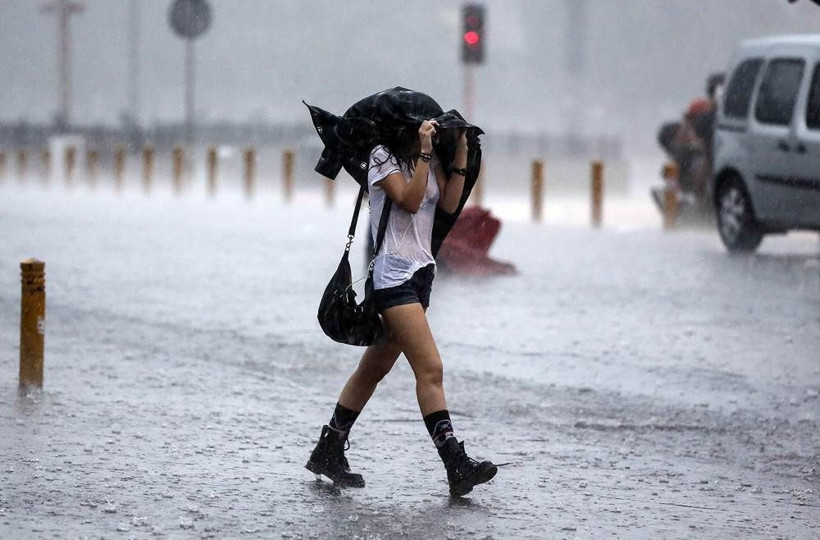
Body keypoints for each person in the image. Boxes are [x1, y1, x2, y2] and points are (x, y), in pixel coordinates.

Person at [305, 119, 498, 497]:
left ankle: (328, 447)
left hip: (421, 274)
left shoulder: (427, 161)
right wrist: (425, 153)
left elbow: (449, 202)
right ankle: (454, 463)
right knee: (431, 368)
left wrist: (459, 150)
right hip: (393, 276)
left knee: (374, 368)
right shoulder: (382, 157)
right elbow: (408, 200)